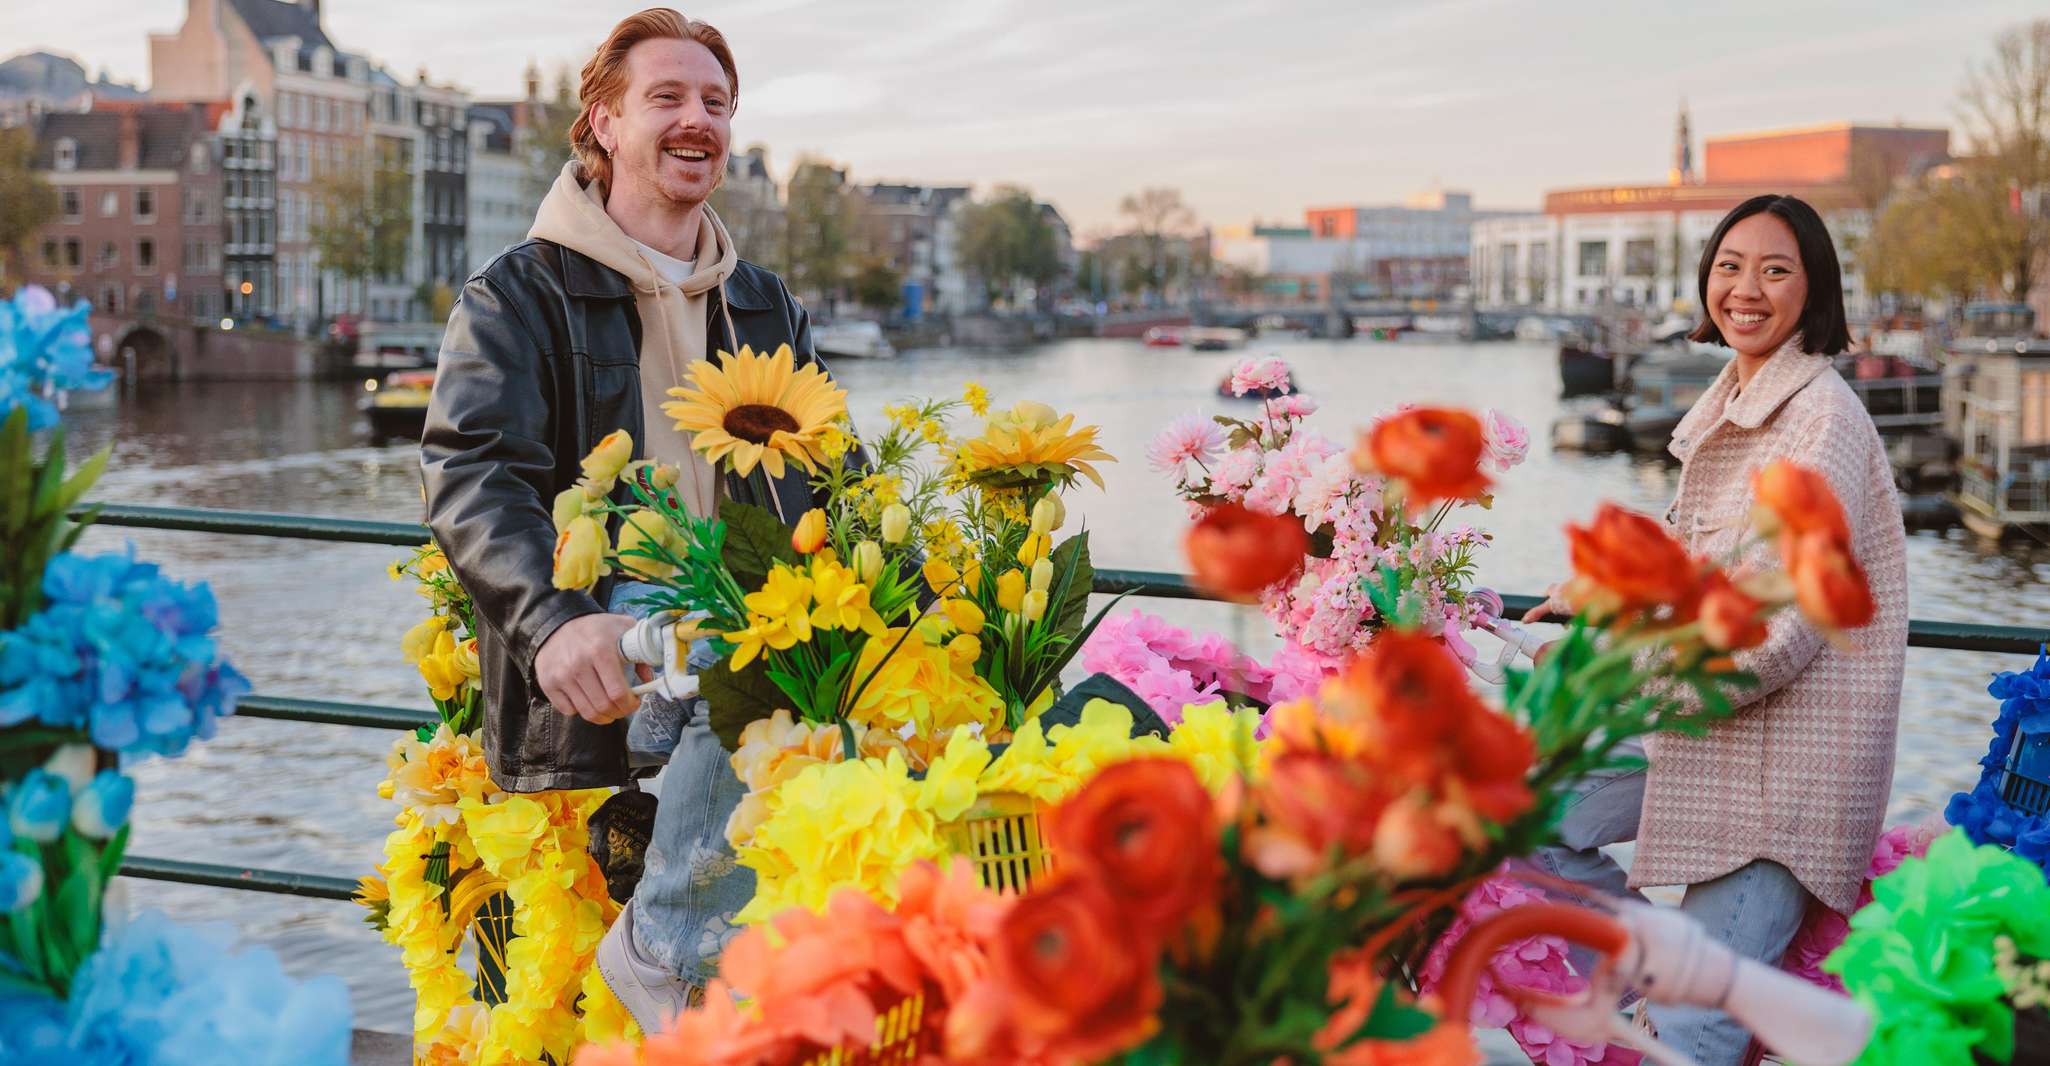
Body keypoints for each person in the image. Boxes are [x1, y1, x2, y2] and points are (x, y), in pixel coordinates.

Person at [420, 8, 831, 1032]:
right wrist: (552, 618)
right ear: (602, 124)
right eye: (669, 98)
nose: (700, 121)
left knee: (822, 647)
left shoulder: (765, 304)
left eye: (716, 103)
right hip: (603, 651)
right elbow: (470, 471)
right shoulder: (518, 293)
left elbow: (828, 479)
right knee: (745, 643)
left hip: (730, 633)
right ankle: (668, 951)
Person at [1526, 194, 1908, 1066]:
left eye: (1775, 270)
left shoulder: (1821, 424)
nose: (1746, 288)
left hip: (1787, 775)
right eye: (1730, 267)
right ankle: (1648, 990)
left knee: (1692, 1040)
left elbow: (1775, 634)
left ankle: (1672, 1008)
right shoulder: (1744, 401)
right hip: (1709, 736)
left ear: (1813, 294)